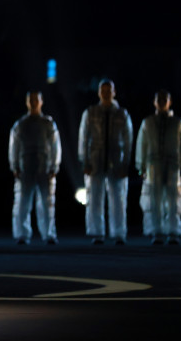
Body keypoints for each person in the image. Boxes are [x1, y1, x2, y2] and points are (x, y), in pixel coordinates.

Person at [78, 79, 133, 245]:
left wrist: (126, 164)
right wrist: (84, 161)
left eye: (109, 90)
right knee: (94, 198)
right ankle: (97, 232)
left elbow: (128, 140)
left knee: (118, 198)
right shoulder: (91, 112)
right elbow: (83, 138)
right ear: (99, 93)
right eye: (103, 90)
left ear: (114, 92)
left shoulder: (122, 114)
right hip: (95, 159)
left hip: (116, 160)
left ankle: (119, 233)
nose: (106, 93)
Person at [135, 90, 181, 245]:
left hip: (173, 165)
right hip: (153, 164)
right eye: (159, 99)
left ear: (169, 102)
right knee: (155, 199)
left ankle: (173, 232)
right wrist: (141, 165)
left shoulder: (178, 123)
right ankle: (156, 231)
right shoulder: (148, 122)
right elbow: (142, 145)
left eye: (164, 99)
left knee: (173, 200)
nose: (161, 102)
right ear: (154, 102)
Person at [8, 91, 62, 245]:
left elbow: (55, 146)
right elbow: (14, 146)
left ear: (41, 101)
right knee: (23, 201)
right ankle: (22, 234)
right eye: (30, 100)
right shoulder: (20, 124)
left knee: (47, 201)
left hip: (44, 165)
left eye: (35, 100)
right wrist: (15, 166)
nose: (33, 102)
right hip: (25, 164)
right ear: (26, 102)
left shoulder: (48, 123)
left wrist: (54, 166)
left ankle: (49, 234)